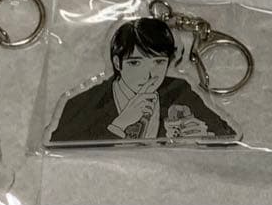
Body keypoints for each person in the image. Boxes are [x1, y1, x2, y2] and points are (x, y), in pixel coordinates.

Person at [48, 17, 237, 144]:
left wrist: (205, 136)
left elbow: (228, 135)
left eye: (158, 62)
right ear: (117, 63)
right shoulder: (83, 103)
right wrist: (119, 124)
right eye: (135, 63)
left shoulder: (179, 90)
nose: (148, 75)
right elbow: (57, 145)